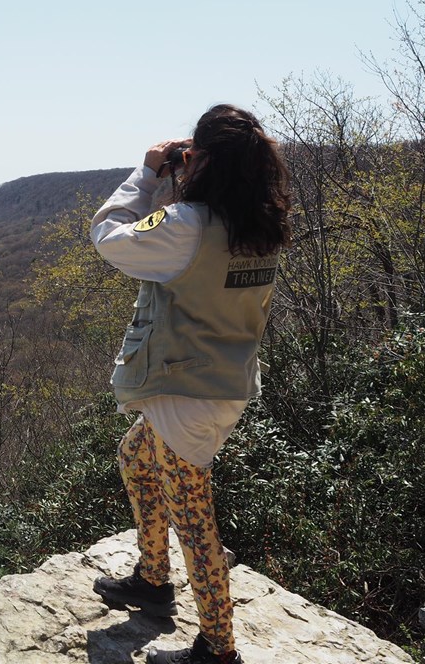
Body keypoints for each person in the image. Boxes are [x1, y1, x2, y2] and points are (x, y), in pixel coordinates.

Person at [89, 104, 292, 664]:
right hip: (225, 380)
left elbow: (110, 237)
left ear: (201, 160)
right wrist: (180, 186)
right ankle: (153, 580)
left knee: (194, 519)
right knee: (134, 455)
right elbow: (183, 251)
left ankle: (218, 648)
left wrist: (148, 173)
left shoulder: (186, 227)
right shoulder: (260, 226)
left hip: (187, 390)